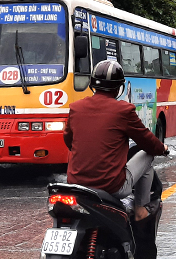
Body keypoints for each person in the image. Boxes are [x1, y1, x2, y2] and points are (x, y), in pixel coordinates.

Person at [65, 60, 167, 221]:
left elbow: (69, 141)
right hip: (112, 186)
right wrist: (162, 148)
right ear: (119, 87)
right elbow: (148, 142)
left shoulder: (76, 107)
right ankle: (141, 209)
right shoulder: (123, 110)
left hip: (76, 184)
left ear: (92, 83)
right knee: (148, 154)